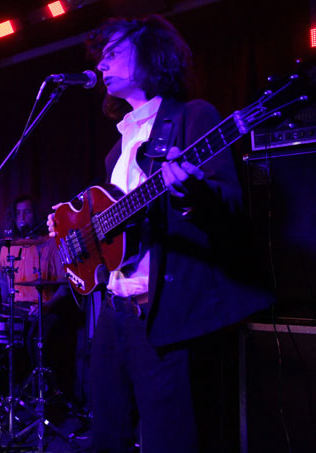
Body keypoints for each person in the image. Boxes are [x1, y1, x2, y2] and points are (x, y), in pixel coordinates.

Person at [47, 15, 273, 452]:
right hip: (114, 313)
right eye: (101, 57)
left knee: (170, 440)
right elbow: (112, 227)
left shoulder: (193, 117)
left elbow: (231, 205)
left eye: (114, 52)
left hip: (164, 313)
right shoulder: (117, 148)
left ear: (150, 53)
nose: (102, 63)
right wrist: (78, 233)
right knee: (107, 437)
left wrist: (191, 194)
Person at [0, 194, 75, 396]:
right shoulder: (7, 247)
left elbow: (65, 285)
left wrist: (45, 306)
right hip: (16, 310)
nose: (22, 217)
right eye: (18, 213)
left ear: (36, 214)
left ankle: (42, 393)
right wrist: (1, 306)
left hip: (45, 309)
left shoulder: (51, 245)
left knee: (36, 337)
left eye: (27, 212)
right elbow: (3, 282)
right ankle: (8, 394)